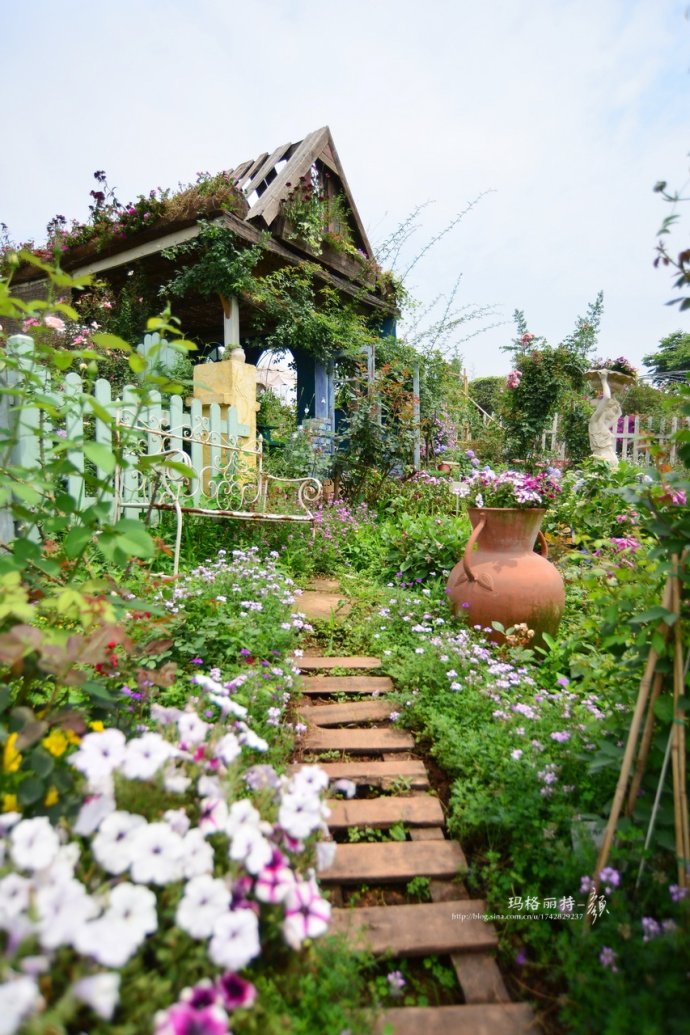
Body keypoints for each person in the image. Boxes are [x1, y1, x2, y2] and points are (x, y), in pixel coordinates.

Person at [588, 369, 621, 466]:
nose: (612, 412)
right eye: (612, 409)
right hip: (602, 460)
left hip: (610, 458)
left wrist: (614, 394)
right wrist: (603, 380)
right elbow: (606, 398)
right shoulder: (595, 420)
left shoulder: (603, 425)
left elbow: (618, 414)